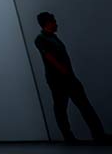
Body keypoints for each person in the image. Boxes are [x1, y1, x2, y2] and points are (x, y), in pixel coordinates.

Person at [35, 12, 107, 143]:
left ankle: (99, 134)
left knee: (84, 105)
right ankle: (69, 137)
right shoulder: (40, 39)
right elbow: (49, 56)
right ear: (47, 23)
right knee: (61, 108)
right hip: (57, 80)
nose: (56, 24)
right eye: (53, 21)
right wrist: (63, 70)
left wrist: (68, 73)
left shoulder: (54, 38)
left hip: (68, 77)